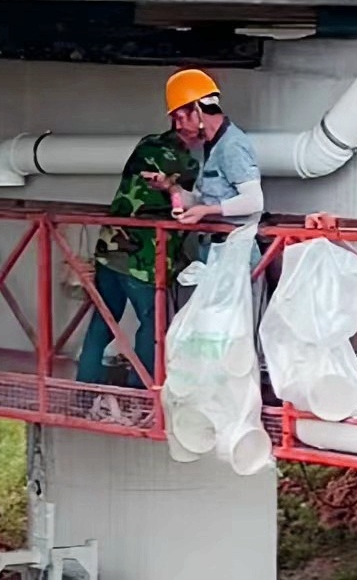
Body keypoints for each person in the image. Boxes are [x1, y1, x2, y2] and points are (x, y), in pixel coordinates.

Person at [76, 110, 201, 388]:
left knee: (103, 320)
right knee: (152, 324)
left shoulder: (147, 144)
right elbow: (184, 204)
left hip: (111, 246)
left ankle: (84, 388)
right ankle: (139, 392)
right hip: (144, 256)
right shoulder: (185, 163)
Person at [159, 69, 264, 239]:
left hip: (234, 250)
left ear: (198, 110)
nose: (178, 127)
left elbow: (253, 201)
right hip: (217, 247)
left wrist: (207, 211)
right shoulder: (210, 146)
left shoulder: (232, 145)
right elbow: (207, 202)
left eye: (180, 118)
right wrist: (172, 189)